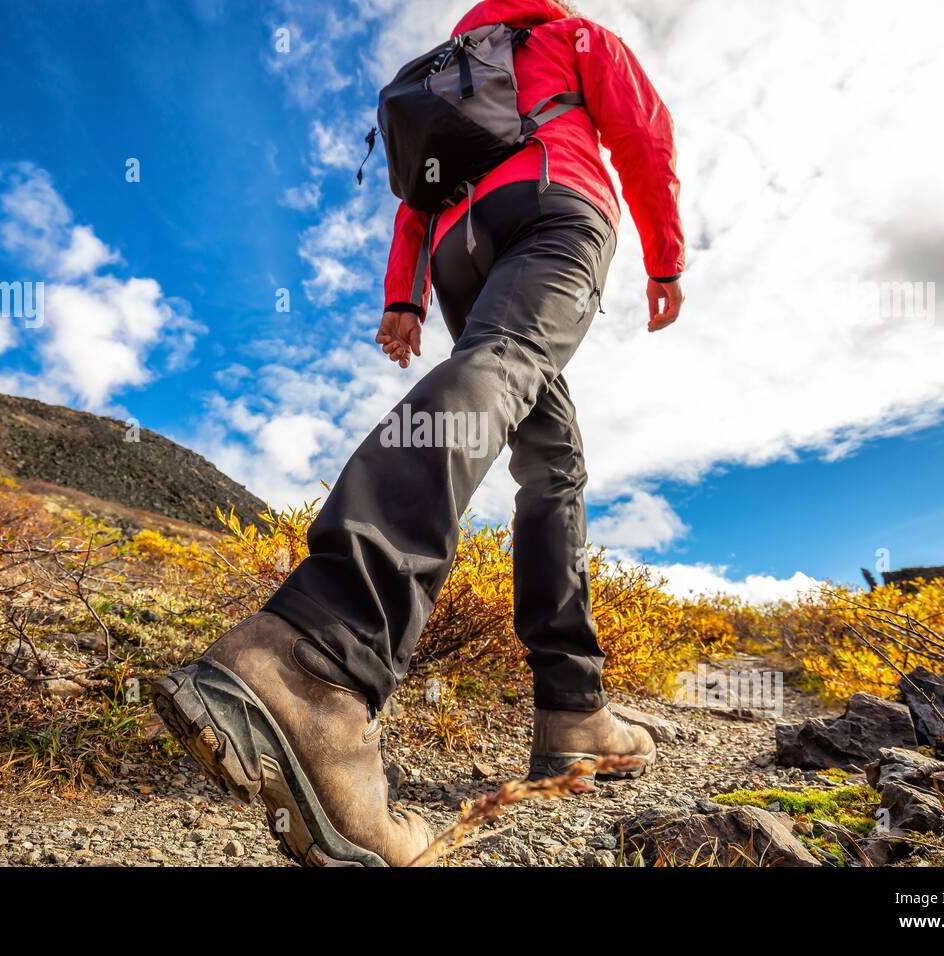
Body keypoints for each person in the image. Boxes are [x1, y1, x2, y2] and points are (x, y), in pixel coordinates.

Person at [153, 0, 685, 867]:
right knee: (512, 373)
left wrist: (405, 298)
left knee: (551, 458)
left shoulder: (452, 65)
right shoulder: (569, 35)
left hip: (457, 249)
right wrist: (665, 255)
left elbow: (417, 198)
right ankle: (318, 654)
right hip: (555, 207)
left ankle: (572, 708)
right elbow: (642, 132)